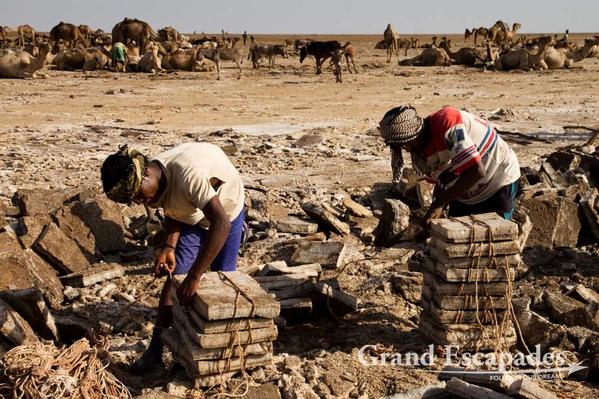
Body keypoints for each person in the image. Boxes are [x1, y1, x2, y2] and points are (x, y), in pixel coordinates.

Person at [100, 142, 245, 372]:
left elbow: (221, 224)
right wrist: (168, 246)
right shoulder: (157, 178)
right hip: (192, 214)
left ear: (146, 174)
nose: (138, 202)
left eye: (137, 195)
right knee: (176, 276)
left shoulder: (189, 174)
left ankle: (220, 356)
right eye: (133, 200)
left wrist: (196, 276)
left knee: (223, 278)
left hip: (225, 211)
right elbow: (173, 206)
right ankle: (156, 348)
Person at [378, 105, 520, 225]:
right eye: (402, 147)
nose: (407, 149)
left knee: (498, 236)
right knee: (458, 239)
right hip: (467, 191)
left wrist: (439, 204)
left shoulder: (447, 123)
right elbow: (444, 179)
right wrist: (435, 208)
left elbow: (476, 170)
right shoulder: (419, 150)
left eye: (406, 144)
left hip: (498, 179)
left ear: (414, 134)